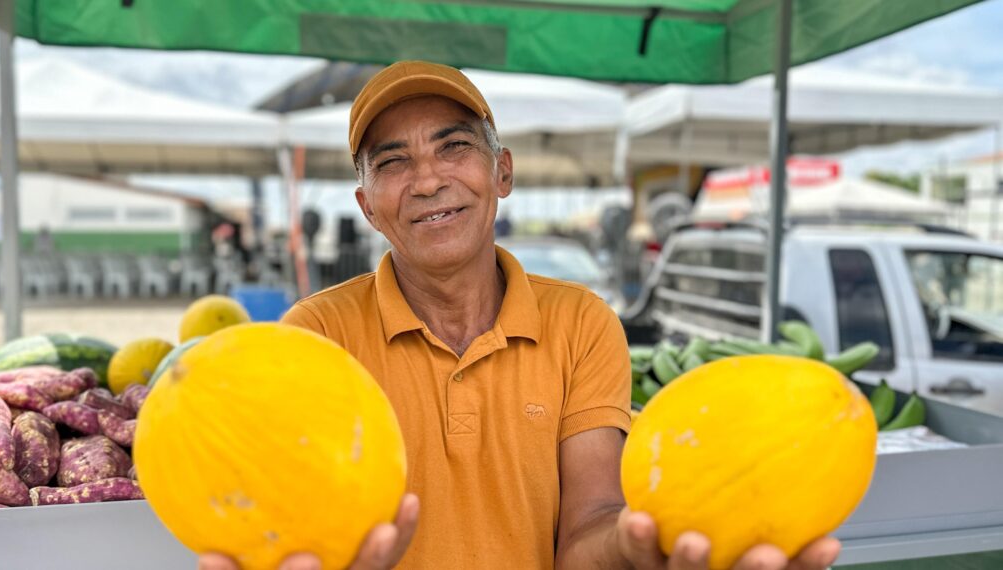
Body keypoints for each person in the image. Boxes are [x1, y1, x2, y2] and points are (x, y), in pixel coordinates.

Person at [199, 61, 840, 570]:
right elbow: (304, 522)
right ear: (368, 206)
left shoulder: (582, 323)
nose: (426, 181)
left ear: (501, 172)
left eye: (454, 148)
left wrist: (641, 543)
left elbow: (590, 526)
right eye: (393, 162)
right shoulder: (317, 337)